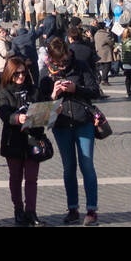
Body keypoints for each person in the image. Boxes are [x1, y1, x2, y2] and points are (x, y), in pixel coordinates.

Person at [37, 36, 101, 225]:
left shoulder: (80, 65)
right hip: (61, 125)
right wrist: (53, 94)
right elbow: (40, 103)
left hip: (83, 122)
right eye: (58, 62)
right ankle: (72, 208)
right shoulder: (46, 73)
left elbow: (95, 90)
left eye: (64, 60)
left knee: (87, 165)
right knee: (68, 167)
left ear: (68, 53)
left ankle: (92, 210)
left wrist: (76, 88)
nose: (62, 65)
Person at [0, 56, 44, 225]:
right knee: (15, 178)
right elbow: (3, 114)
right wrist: (17, 118)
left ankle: (31, 211)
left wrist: (49, 112)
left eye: (23, 73)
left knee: (32, 178)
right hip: (13, 140)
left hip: (32, 139)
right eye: (16, 74)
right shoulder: (5, 91)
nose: (21, 76)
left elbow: (41, 109)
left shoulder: (34, 90)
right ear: (10, 74)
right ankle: (18, 209)